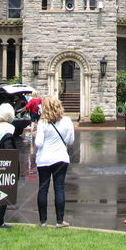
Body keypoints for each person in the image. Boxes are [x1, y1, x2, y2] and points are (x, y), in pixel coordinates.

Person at [34, 96, 75, 227]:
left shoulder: (43, 123)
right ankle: (59, 220)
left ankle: (43, 221)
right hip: (61, 158)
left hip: (44, 159)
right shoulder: (67, 121)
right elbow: (70, 141)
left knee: (43, 189)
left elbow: (38, 143)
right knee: (59, 188)